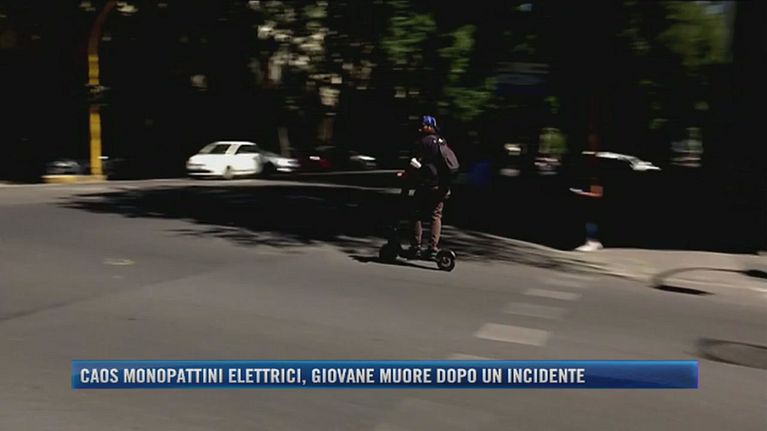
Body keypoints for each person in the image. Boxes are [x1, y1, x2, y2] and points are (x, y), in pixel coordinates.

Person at [404, 115, 455, 258]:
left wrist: (407, 174)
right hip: (442, 185)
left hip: (427, 184)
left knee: (416, 213)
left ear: (429, 126)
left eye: (422, 125)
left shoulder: (423, 142)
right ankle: (433, 248)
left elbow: (415, 163)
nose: (420, 128)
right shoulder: (442, 141)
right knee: (436, 215)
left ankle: (416, 246)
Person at [570, 175, 604, 251]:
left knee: (591, 222)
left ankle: (593, 243)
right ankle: (590, 242)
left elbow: (598, 194)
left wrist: (582, 193)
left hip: (594, 207)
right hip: (588, 206)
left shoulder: (595, 180)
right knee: (588, 222)